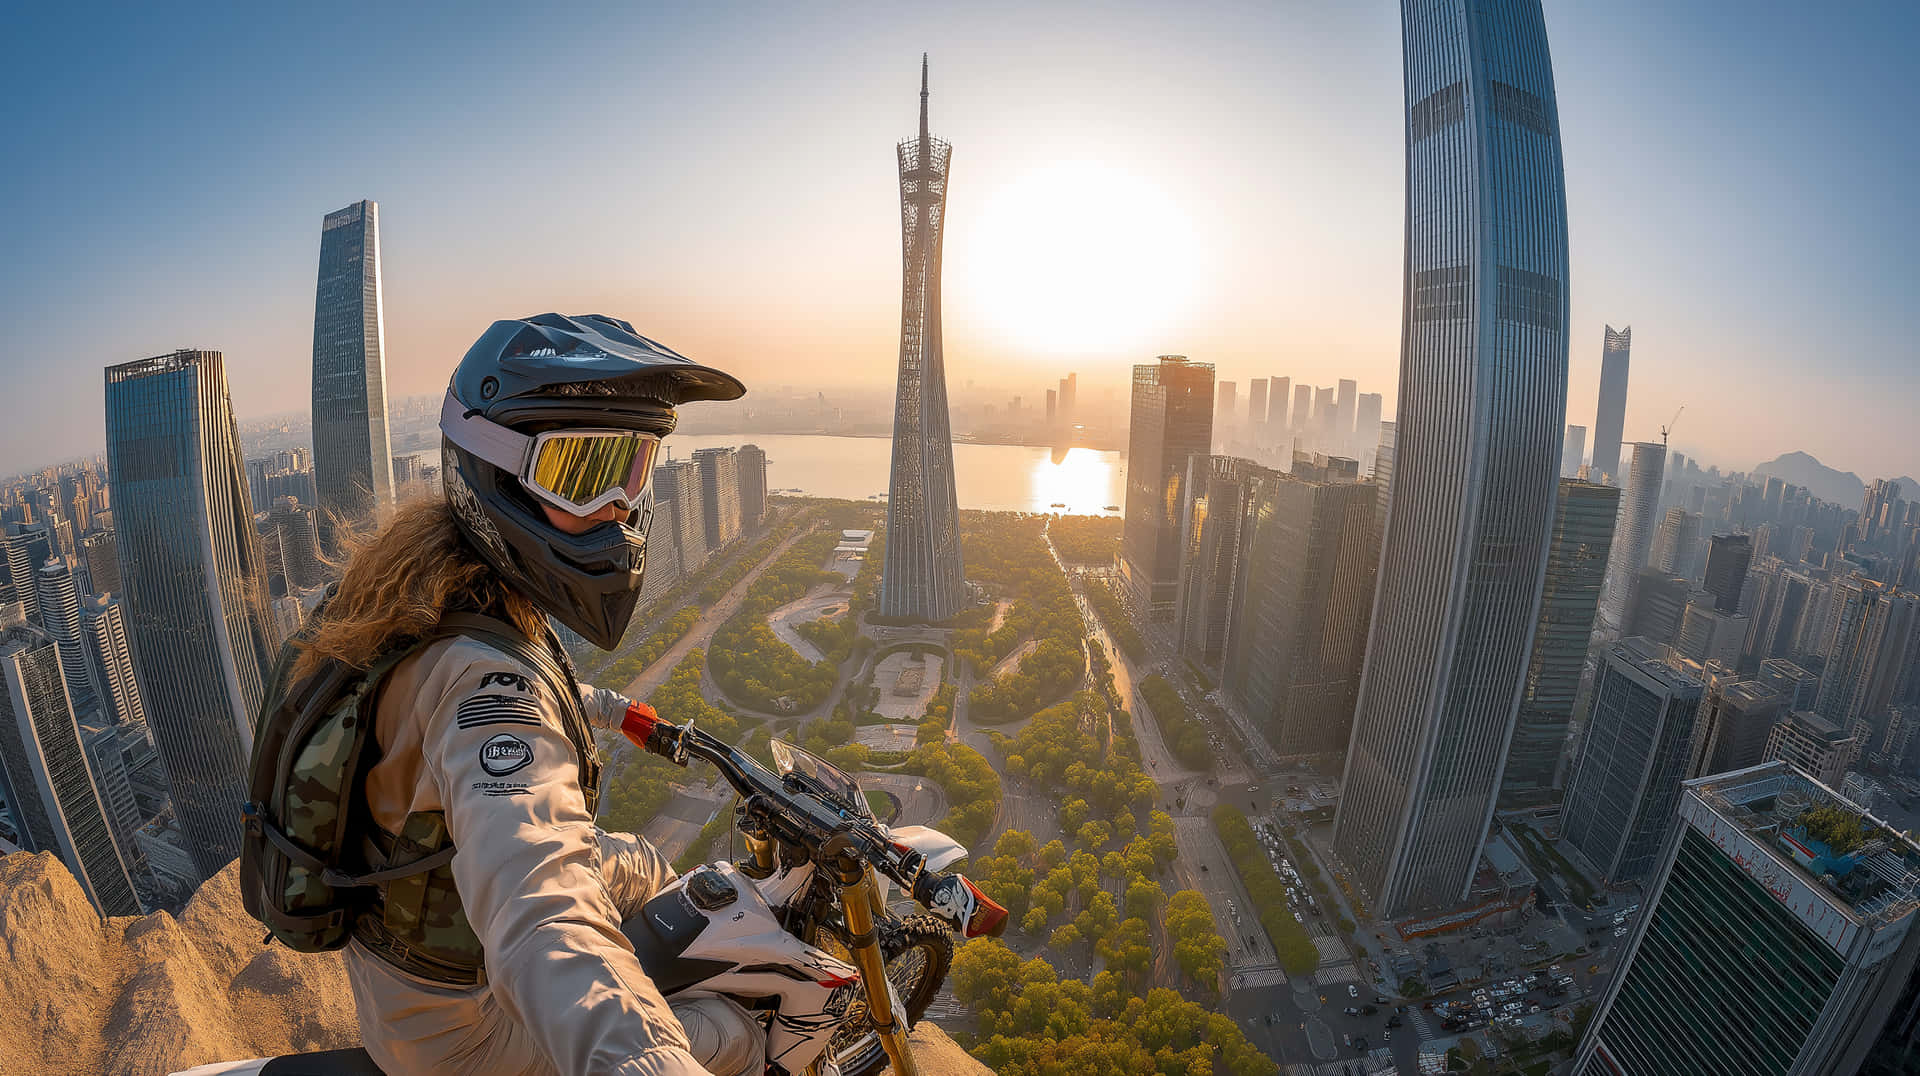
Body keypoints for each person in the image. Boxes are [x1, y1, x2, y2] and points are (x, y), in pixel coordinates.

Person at [287, 314, 761, 1076]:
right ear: (496, 470)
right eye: (581, 474)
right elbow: (541, 899)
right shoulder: (485, 686)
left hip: (409, 949)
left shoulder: (440, 592)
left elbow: (545, 684)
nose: (617, 507)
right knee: (738, 1031)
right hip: (459, 1033)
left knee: (642, 858)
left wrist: (627, 716)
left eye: (632, 470)